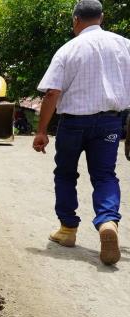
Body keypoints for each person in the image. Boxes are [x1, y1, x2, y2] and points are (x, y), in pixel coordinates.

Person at [34, 0, 130, 265]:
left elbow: (52, 92)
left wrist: (41, 131)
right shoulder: (124, 45)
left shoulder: (68, 49)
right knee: (105, 175)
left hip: (74, 123)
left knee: (65, 174)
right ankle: (108, 222)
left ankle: (67, 230)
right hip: (111, 123)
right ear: (102, 17)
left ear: (75, 20)